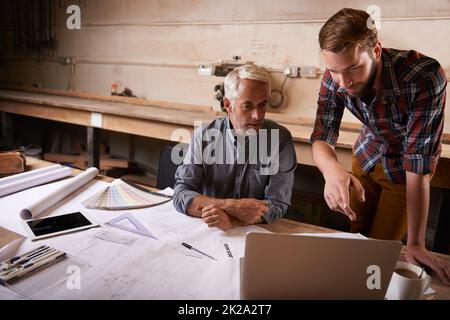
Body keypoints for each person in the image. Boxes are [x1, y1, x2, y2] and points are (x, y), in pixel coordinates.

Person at [310, 8, 450, 285]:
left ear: (375, 50)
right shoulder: (334, 76)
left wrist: (417, 243)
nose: (344, 82)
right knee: (356, 233)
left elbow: (418, 161)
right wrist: (331, 170)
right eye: (335, 71)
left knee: (378, 249)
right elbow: (322, 136)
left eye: (352, 69)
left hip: (404, 172)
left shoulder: (424, 76)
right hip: (366, 156)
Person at [173, 64, 297, 231]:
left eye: (262, 105)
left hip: (254, 233)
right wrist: (231, 206)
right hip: (209, 230)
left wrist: (232, 222)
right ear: (227, 104)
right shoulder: (203, 137)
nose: (258, 115)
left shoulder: (280, 139)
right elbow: (182, 194)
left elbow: (278, 203)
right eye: (248, 106)